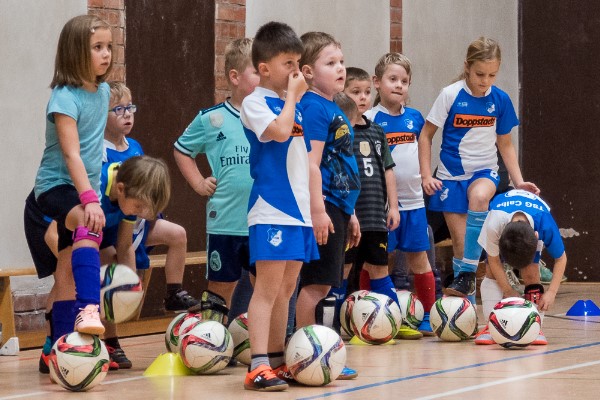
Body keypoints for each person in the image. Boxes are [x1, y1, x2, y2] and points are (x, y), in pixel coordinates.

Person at [418, 37, 539, 306]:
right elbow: (426, 136)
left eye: (492, 75)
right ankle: (468, 310)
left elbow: (505, 143)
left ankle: (467, 275)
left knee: (481, 197)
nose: (485, 81)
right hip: (450, 178)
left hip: (484, 171)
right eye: (479, 74)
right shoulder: (450, 95)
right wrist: (427, 175)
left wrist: (518, 181)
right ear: (467, 67)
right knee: (462, 247)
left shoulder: (500, 100)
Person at [240, 21, 317, 392]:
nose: (296, 72)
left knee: (287, 287)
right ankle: (256, 364)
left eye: (299, 63)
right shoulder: (254, 103)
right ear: (265, 68)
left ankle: (276, 359)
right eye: (289, 63)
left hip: (298, 211)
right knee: (267, 289)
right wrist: (292, 99)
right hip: (272, 210)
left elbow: (303, 157)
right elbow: (280, 133)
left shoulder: (295, 106)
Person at [32, 14, 113, 360]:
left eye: (109, 46)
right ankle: (89, 307)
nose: (106, 54)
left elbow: (97, 147)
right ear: (75, 52)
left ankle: (59, 350)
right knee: (86, 219)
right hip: (54, 188)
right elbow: (71, 153)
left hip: (81, 189)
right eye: (97, 47)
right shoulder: (64, 97)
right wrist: (90, 198)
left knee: (65, 269)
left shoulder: (105, 91)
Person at [102, 82, 199, 369]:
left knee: (178, 234)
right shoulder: (99, 150)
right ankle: (112, 339)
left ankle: (173, 291)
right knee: (115, 278)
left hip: (138, 221)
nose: (127, 114)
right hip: (113, 224)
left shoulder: (136, 147)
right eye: (118, 109)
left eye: (130, 107)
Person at [174, 38, 259, 325]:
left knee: (265, 286)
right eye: (256, 71)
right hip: (225, 220)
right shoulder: (211, 119)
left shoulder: (273, 117)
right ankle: (212, 340)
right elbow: (182, 150)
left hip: (263, 220)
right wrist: (198, 183)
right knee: (221, 289)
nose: (264, 77)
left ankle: (265, 344)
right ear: (234, 77)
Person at [354, 57, 437, 337]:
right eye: (392, 79)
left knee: (419, 260)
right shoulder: (371, 119)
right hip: (384, 206)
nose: (399, 85)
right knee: (379, 261)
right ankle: (371, 316)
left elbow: (422, 152)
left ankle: (427, 316)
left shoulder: (415, 117)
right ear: (377, 83)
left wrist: (426, 177)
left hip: (414, 203)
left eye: (404, 81)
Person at [298, 31, 360, 380]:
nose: (340, 68)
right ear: (308, 71)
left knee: (324, 285)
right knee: (315, 285)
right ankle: (305, 355)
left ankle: (315, 352)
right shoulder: (313, 107)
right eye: (330, 63)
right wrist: (319, 210)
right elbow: (312, 162)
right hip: (322, 206)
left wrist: (348, 212)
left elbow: (342, 162)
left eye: (341, 61)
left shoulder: (331, 105)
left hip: (337, 206)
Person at [333, 89, 401, 341]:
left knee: (379, 268)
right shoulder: (338, 135)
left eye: (366, 92)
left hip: (374, 217)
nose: (362, 98)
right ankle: (336, 325)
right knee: (343, 269)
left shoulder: (376, 131)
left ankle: (393, 319)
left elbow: (388, 170)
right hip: (349, 216)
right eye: (355, 92)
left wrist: (393, 207)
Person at [474, 189, 566, 345]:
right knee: (490, 271)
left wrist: (551, 292)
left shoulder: (545, 223)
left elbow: (561, 259)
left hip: (533, 219)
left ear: (536, 237)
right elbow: (494, 260)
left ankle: (535, 328)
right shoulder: (494, 224)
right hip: (500, 216)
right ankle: (491, 326)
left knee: (531, 273)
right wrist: (508, 291)